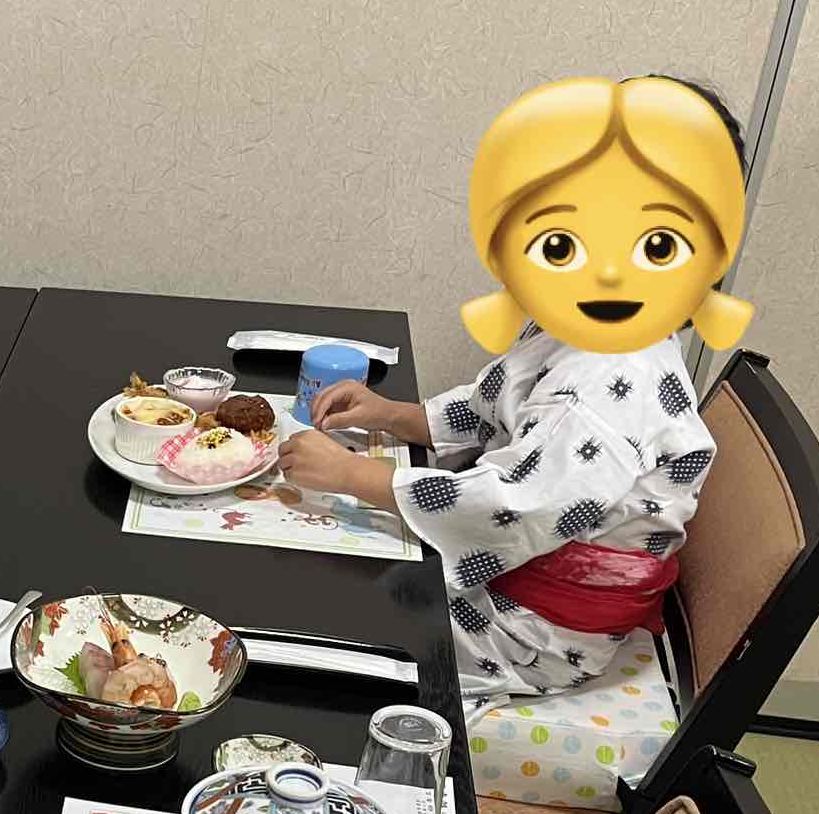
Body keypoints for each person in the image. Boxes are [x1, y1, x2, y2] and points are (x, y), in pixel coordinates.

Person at [280, 76, 744, 705]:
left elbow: (516, 504)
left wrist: (353, 475)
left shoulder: (611, 380)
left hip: (529, 631)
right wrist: (396, 415)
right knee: (314, 552)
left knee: (313, 612)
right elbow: (499, 404)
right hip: (515, 572)